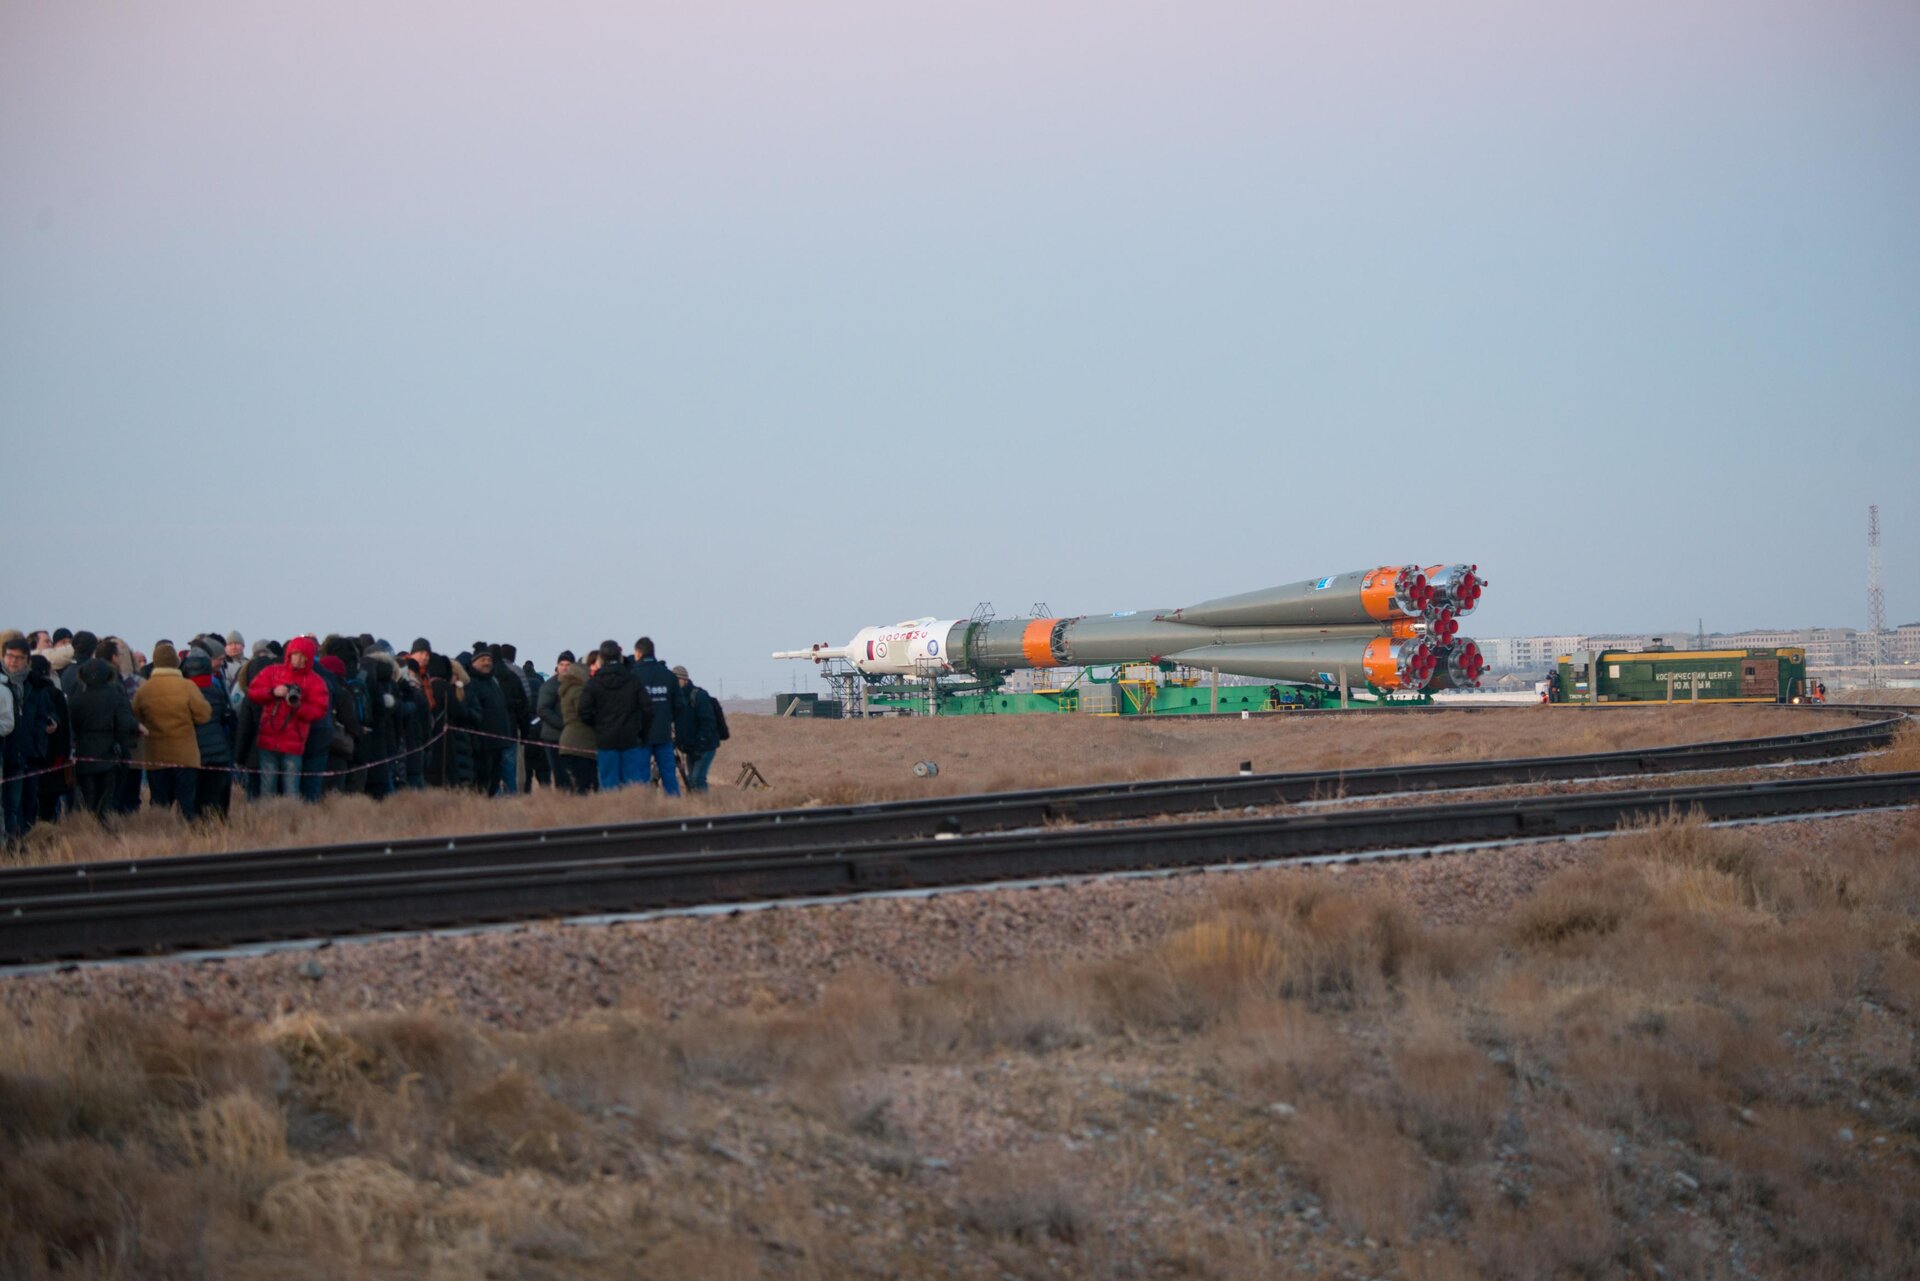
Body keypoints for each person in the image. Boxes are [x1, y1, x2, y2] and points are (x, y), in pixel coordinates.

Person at [132, 641, 210, 819]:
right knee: (187, 803)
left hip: (156, 755)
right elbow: (203, 715)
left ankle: (162, 837)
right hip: (185, 755)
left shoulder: (144, 689)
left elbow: (135, 717)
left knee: (160, 803)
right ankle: (191, 838)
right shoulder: (188, 686)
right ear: (176, 662)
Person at [248, 636, 330, 798]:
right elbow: (252, 692)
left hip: (294, 745)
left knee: (291, 790)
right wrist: (272, 692)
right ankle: (267, 821)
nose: (298, 659)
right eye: (295, 654)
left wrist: (299, 706)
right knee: (267, 788)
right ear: (289, 654)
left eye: (303, 656)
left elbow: (319, 710)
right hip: (268, 740)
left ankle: (291, 820)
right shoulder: (272, 672)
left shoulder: (315, 681)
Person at [576, 640, 652, 790]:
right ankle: (634, 813)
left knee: (608, 784)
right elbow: (647, 709)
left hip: (606, 739)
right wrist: (641, 732)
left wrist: (598, 724)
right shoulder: (633, 680)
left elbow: (583, 710)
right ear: (620, 657)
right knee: (632, 785)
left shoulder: (594, 683)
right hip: (630, 738)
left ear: (601, 659)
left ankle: (613, 812)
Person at [67, 658, 137, 820]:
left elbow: (73, 725)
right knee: (107, 795)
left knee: (89, 795)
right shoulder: (115, 694)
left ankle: (91, 826)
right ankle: (103, 825)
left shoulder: (78, 697)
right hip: (108, 752)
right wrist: (130, 737)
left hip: (84, 753)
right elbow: (124, 721)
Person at [180, 649, 237, 819]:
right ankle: (219, 827)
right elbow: (228, 719)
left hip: (194, 752)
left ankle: (199, 830)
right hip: (218, 750)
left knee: (196, 798)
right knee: (217, 798)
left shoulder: (185, 692)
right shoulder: (216, 690)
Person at [631, 636, 683, 797]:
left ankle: (645, 812)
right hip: (663, 734)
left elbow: (628, 705)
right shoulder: (668, 676)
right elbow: (680, 705)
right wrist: (667, 718)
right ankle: (676, 813)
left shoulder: (633, 676)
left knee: (641, 778)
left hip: (641, 736)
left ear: (638, 653)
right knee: (669, 776)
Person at [464, 646, 513, 796]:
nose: (487, 663)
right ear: (474, 662)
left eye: (489, 660)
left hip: (499, 739)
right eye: (483, 660)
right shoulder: (471, 682)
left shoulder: (493, 681)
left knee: (495, 777)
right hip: (483, 741)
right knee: (482, 778)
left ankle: (490, 804)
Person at [553, 649, 598, 792]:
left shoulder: (568, 688)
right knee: (583, 785)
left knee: (576, 785)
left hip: (570, 741)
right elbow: (584, 714)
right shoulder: (579, 691)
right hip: (581, 743)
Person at [671, 665, 721, 792]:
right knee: (691, 781)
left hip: (705, 747)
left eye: (676, 679)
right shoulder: (676, 699)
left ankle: (705, 808)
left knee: (697, 779)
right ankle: (695, 807)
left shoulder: (699, 696)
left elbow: (708, 722)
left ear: (685, 679)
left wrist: (701, 741)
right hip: (690, 748)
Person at [536, 651, 571, 787]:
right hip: (554, 736)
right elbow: (543, 709)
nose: (565, 667)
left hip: (572, 736)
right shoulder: (550, 685)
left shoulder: (578, 684)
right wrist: (563, 724)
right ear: (557, 666)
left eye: (568, 664)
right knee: (560, 773)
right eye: (562, 664)